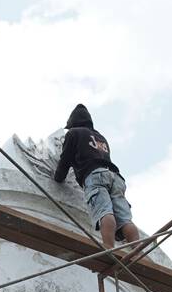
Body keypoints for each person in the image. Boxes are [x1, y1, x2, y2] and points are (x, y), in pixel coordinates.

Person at [52, 103, 143, 256]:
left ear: (73, 122)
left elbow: (65, 159)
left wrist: (58, 177)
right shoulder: (101, 137)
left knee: (104, 211)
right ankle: (139, 253)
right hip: (116, 177)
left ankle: (108, 247)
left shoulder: (74, 133)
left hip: (95, 175)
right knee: (125, 219)